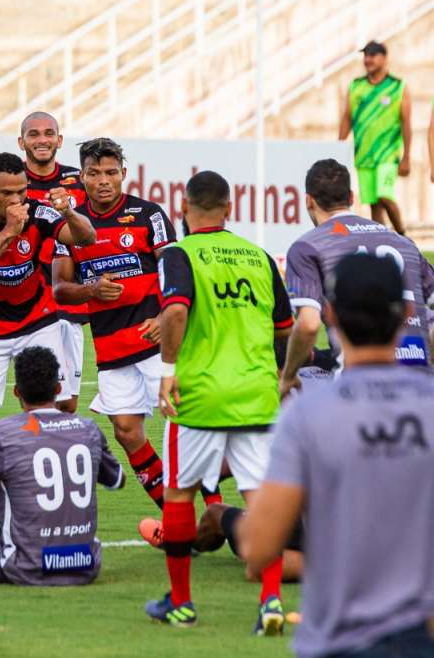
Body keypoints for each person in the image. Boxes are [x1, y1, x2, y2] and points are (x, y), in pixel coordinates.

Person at [241, 253, 434, 657]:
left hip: (336, 637)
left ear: (330, 314)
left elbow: (258, 547)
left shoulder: (308, 414)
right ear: (407, 314)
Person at [146, 171, 293, 634]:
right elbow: (285, 328)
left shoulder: (179, 253)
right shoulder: (259, 256)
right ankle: (271, 600)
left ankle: (181, 604)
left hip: (200, 395)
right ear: (229, 208)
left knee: (179, 494)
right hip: (256, 395)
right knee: (261, 499)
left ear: (183, 208)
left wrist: (168, 369)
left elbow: (175, 310)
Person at [53, 138, 196, 512]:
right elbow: (60, 289)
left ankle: (204, 514)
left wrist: (165, 317)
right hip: (111, 348)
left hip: (155, 342)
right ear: (81, 177)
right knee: (127, 432)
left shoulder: (148, 215)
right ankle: (175, 516)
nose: (103, 180)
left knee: (187, 425)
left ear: (123, 174)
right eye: (94, 173)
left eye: (111, 172)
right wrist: (91, 290)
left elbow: (176, 272)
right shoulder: (70, 227)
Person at [0, 346, 125, 582]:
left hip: (24, 566)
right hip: (84, 563)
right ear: (58, 389)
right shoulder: (88, 429)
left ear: (16, 392)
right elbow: (117, 480)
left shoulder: (2, 434)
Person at [0, 152, 94, 450]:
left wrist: (69, 213)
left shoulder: (37, 211)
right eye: (7, 193)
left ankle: (45, 468)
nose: (16, 200)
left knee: (61, 405)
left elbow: (86, 236)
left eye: (21, 191)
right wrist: (9, 233)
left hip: (37, 323)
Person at [280, 159, 434, 396]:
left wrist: (288, 376)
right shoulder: (403, 242)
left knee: (300, 375)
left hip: (357, 385)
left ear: (308, 201)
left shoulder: (307, 247)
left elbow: (309, 325)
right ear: (352, 197)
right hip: (419, 385)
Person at [17, 111, 88, 413]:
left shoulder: (79, 182)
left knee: (67, 402)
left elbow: (92, 232)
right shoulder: (12, 182)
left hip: (67, 303)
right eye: (33, 134)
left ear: (59, 140)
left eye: (48, 133)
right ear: (21, 142)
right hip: (28, 305)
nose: (42, 140)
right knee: (37, 397)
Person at [338, 40, 411, 234]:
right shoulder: (356, 86)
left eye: (372, 55)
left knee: (384, 195)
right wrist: (338, 147)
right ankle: (382, 242)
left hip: (387, 154)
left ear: (384, 58)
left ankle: (403, 236)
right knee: (374, 204)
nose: (367, 60)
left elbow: (406, 122)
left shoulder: (397, 86)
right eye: (365, 55)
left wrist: (406, 156)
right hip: (363, 155)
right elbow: (347, 118)